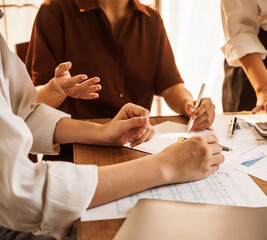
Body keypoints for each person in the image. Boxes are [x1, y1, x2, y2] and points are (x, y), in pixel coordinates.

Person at [0, 28, 224, 239]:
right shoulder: (56, 11)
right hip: (53, 180)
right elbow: (20, 191)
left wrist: (103, 132)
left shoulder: (149, 20)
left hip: (118, 152)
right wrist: (165, 166)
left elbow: (22, 113)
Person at [25, 0, 215, 132]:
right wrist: (59, 89)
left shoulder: (151, 20)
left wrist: (189, 106)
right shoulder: (55, 11)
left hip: (136, 143)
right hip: (76, 146)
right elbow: (34, 101)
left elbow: (171, 85)